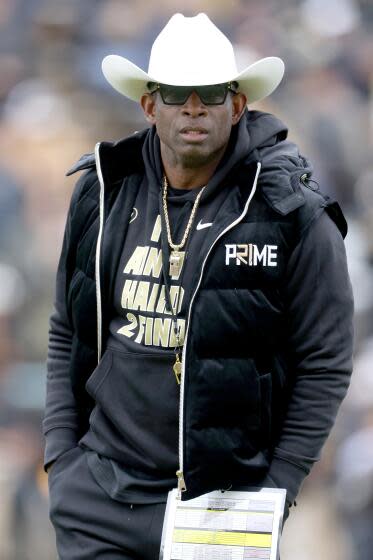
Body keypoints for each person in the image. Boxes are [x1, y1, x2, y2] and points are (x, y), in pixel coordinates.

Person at [43, 13, 354, 560]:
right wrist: (61, 460)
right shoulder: (101, 192)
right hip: (101, 499)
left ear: (237, 106)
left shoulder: (292, 212)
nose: (193, 107)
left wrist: (276, 489)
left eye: (210, 93)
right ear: (149, 104)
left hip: (222, 508)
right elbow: (66, 330)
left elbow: (325, 361)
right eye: (176, 93)